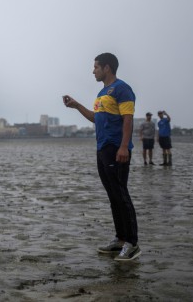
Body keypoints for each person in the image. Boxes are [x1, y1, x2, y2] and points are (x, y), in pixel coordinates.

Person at [63, 52, 141, 261]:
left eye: (96, 67)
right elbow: (95, 119)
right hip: (102, 148)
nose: (93, 70)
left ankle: (132, 243)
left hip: (117, 148)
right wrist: (77, 105)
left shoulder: (122, 89)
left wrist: (124, 146)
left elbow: (128, 120)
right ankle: (120, 238)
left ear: (107, 68)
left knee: (121, 194)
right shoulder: (102, 93)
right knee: (113, 196)